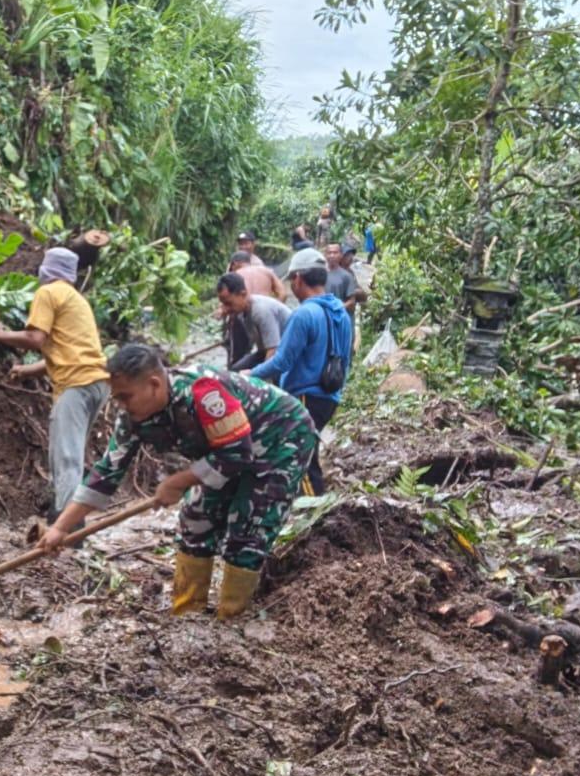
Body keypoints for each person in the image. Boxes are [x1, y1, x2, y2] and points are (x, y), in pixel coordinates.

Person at [38, 345, 316, 618]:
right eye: (117, 399)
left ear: (154, 384)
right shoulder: (133, 418)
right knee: (195, 519)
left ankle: (232, 621)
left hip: (280, 438)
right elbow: (105, 474)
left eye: (126, 397)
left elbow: (238, 453)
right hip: (224, 452)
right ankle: (187, 616)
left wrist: (179, 481)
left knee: (247, 529)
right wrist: (60, 528)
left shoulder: (201, 391)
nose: (121, 405)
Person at [0, 247, 109, 522]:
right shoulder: (77, 300)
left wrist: (1, 334)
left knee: (66, 458)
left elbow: (35, 338)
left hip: (76, 384)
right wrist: (27, 370)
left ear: (48, 269)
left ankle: (67, 525)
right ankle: (65, 520)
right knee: (69, 455)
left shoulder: (48, 293)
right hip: (97, 383)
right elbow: (68, 352)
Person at [253, 248, 353, 495]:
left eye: (291, 281)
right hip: (329, 398)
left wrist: (248, 375)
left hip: (305, 396)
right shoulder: (340, 312)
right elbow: (347, 360)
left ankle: (313, 516)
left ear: (298, 278)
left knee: (303, 463)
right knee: (305, 456)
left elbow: (281, 362)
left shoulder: (304, 314)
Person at [216, 273, 292, 371]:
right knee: (235, 370)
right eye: (223, 304)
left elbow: (273, 350)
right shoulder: (241, 311)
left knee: (267, 376)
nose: (225, 308)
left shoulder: (261, 311)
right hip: (266, 351)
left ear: (243, 294)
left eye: (228, 304)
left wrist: (259, 375)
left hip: (285, 352)